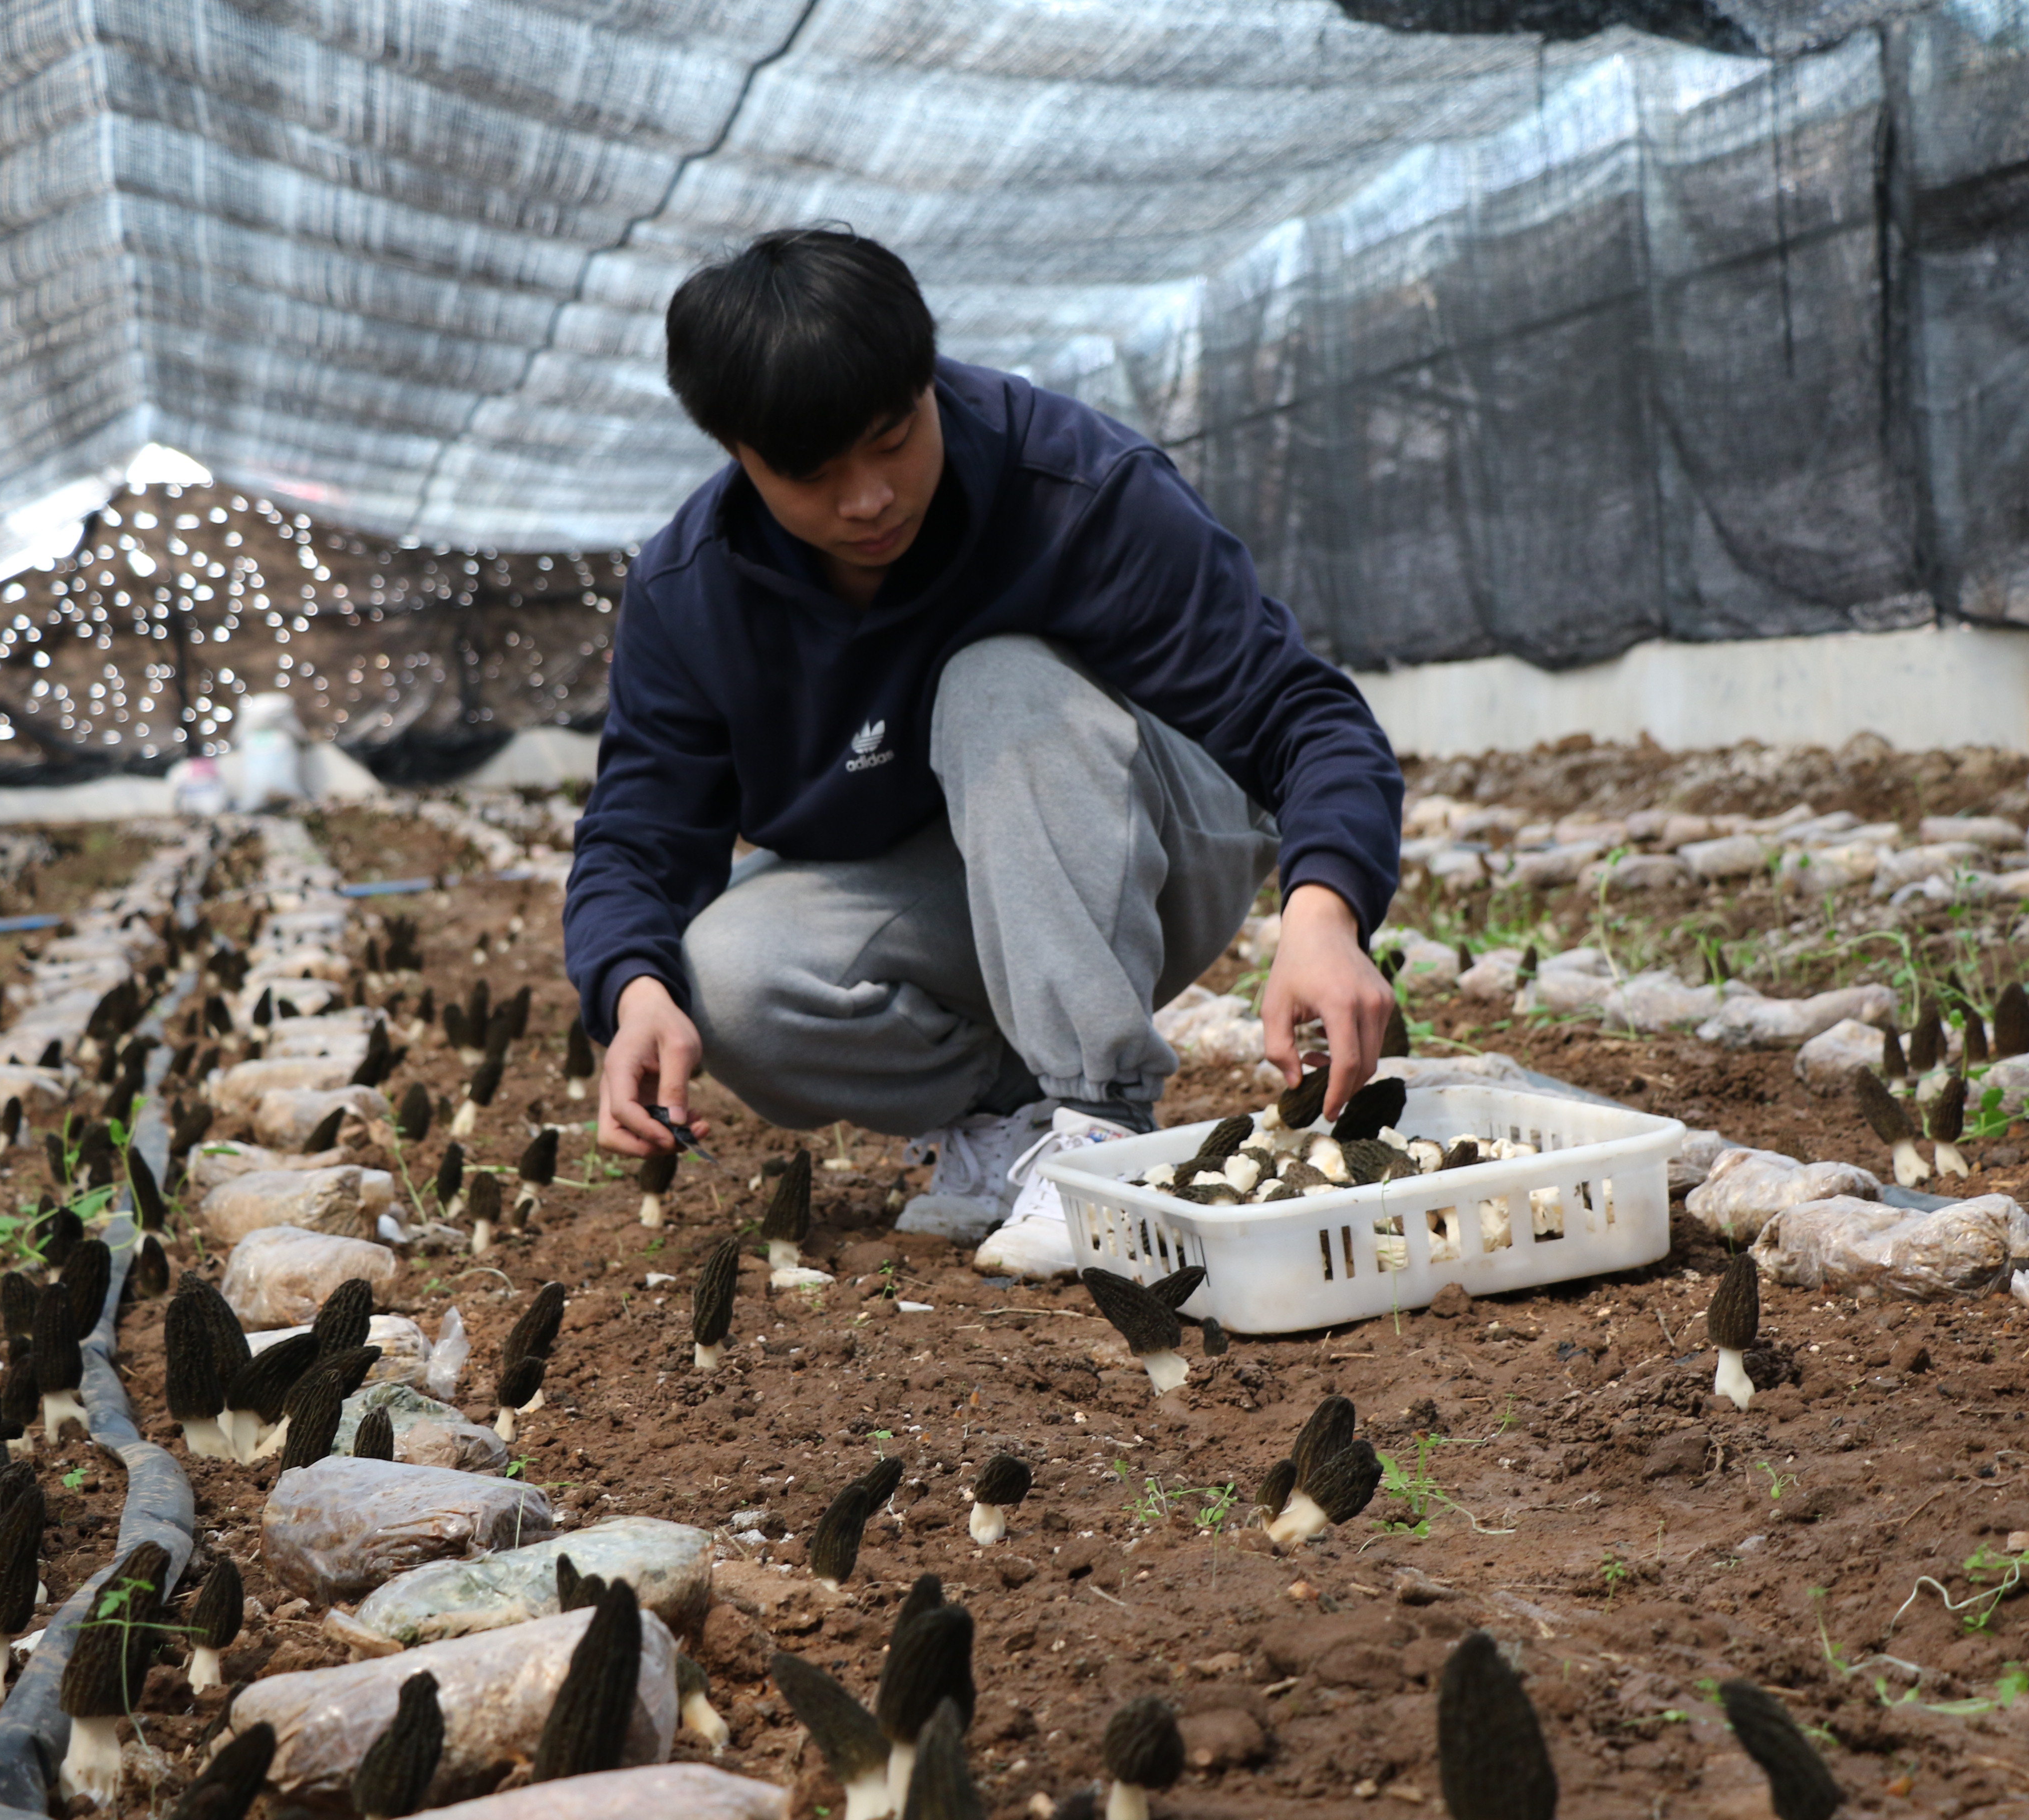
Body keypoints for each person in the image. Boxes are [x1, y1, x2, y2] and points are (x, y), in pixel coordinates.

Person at [562, 226, 1403, 1277]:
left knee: (998, 678)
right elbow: (636, 837)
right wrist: (630, 990)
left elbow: (1302, 713)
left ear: (927, 379)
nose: (869, 497)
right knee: (720, 977)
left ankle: (1101, 1124)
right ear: (737, 454)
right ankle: (1010, 1121)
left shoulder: (1074, 487)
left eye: (893, 438)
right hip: (953, 892)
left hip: (1154, 849)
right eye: (815, 474)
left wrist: (1324, 914)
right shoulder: (694, 595)